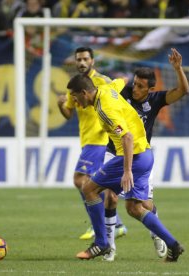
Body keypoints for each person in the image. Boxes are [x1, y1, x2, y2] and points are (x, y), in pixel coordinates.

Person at [67, 74, 184, 262]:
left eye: (75, 97)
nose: (75, 101)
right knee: (134, 208)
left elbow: (127, 137)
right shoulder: (107, 89)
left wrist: (127, 170)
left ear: (84, 93)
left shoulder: (105, 108)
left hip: (134, 156)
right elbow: (119, 81)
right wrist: (124, 78)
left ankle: (101, 243)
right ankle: (173, 245)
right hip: (146, 155)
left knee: (89, 188)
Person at [103, 48, 189, 261]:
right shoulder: (123, 93)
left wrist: (178, 69)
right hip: (114, 152)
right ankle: (109, 247)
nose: (135, 89)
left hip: (140, 157)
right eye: (135, 83)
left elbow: (183, 91)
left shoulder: (157, 100)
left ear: (151, 89)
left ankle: (157, 233)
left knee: (143, 206)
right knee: (110, 197)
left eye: (141, 87)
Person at [57, 47, 127, 241]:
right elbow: (68, 113)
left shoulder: (103, 82)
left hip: (100, 140)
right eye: (78, 59)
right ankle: (115, 222)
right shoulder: (74, 85)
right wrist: (60, 105)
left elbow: (120, 94)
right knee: (92, 184)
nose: (81, 62)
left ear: (92, 61)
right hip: (87, 140)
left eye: (85, 59)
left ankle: (102, 226)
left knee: (81, 180)